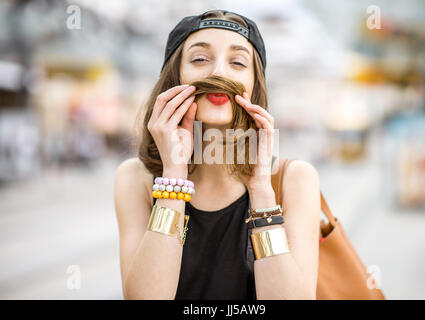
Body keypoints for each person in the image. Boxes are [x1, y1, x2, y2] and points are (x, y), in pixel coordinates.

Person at [114, 9, 321, 300]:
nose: (219, 73)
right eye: (200, 59)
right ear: (174, 79)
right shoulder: (135, 178)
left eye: (237, 62)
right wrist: (174, 174)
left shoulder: (294, 180)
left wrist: (261, 191)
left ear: (254, 84)